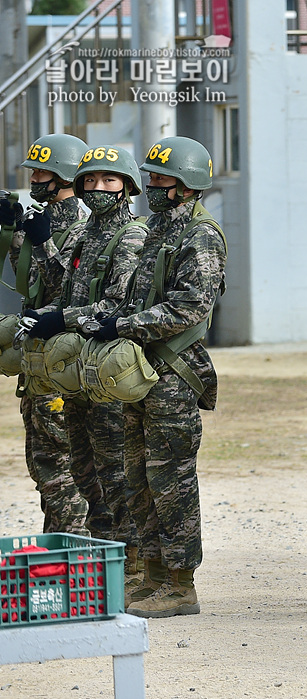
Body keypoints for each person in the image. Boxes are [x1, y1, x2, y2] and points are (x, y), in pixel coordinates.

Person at [72, 137, 224, 618]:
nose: (152, 188)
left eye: (160, 180)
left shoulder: (201, 236)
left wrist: (123, 326)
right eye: (152, 179)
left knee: (172, 479)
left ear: (187, 185)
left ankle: (182, 583)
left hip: (173, 376)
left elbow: (190, 306)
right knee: (138, 477)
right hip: (139, 375)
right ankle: (154, 576)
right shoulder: (156, 228)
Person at [25, 145, 146, 557]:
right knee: (82, 471)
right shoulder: (84, 234)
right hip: (76, 370)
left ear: (126, 187)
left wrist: (61, 319)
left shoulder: (131, 236)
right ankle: (98, 557)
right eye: (90, 180)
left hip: (106, 373)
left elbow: (116, 306)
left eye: (108, 180)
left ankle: (128, 563)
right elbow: (62, 285)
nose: (98, 188)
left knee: (115, 473)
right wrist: (40, 244)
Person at [0, 134, 89, 536]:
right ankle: (63, 553)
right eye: (33, 172)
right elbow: (19, 280)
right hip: (38, 359)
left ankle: (78, 554)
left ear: (65, 175)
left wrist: (42, 241)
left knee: (59, 466)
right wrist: (7, 227)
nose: (34, 178)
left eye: (42, 172)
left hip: (62, 359)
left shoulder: (84, 225)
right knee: (44, 465)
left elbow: (69, 290)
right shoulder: (39, 217)